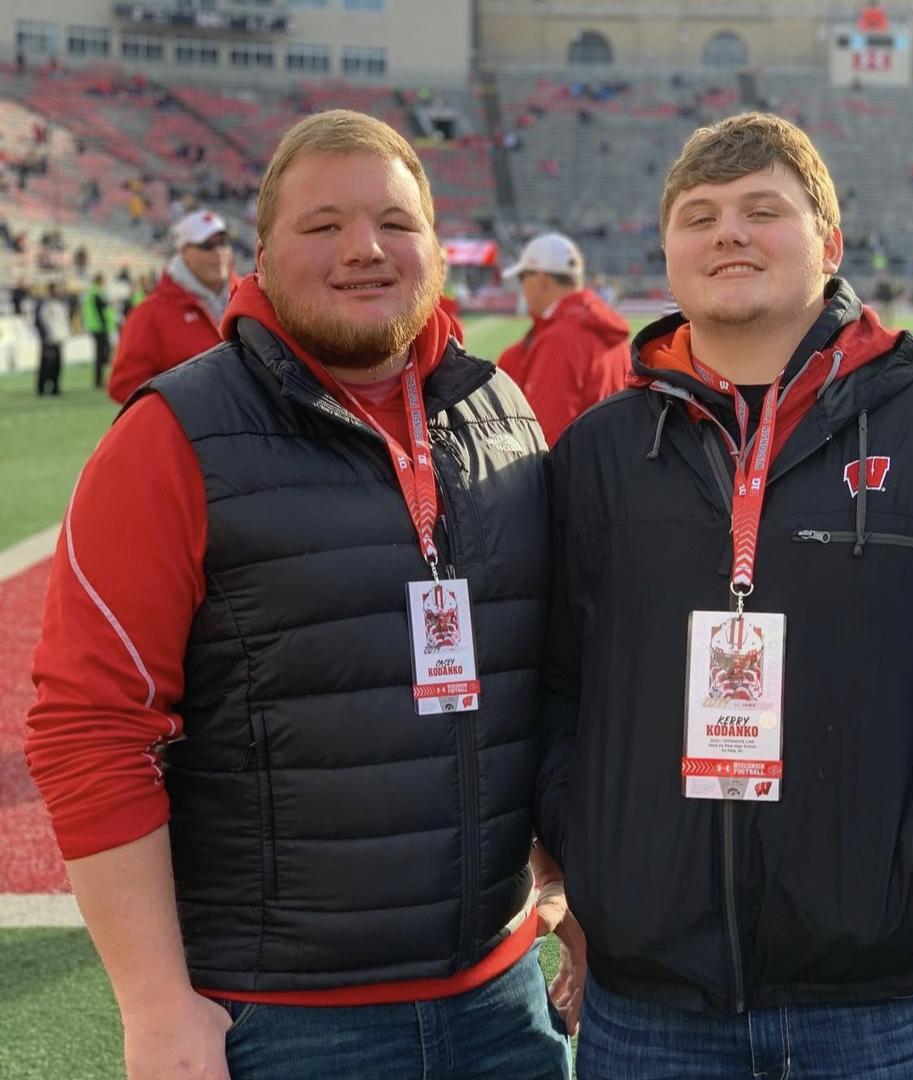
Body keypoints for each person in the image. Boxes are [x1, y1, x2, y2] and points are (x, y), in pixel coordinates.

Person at [27, 110, 577, 1080]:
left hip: (502, 1004)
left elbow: (538, 678)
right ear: (262, 254)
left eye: (396, 223)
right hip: (285, 1020)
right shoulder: (172, 435)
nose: (365, 248)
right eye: (324, 225)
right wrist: (155, 1005)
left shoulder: (501, 413)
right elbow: (90, 728)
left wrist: (561, 880)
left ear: (435, 247)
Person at [535, 113, 913, 1079]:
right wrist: (595, 855)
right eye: (699, 216)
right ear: (668, 254)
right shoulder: (597, 455)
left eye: (762, 210)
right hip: (651, 1003)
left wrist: (912, 856)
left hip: (884, 1001)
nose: (727, 233)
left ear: (829, 244)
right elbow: (544, 681)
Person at [498, 232, 630, 446]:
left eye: (523, 277)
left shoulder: (560, 340)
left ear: (542, 281)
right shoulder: (612, 333)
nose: (522, 287)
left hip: (578, 465)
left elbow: (546, 439)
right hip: (610, 460)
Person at [107, 209, 235, 403]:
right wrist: (186, 405)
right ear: (183, 252)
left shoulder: (250, 296)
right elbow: (124, 385)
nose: (218, 252)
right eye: (207, 245)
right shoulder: (150, 313)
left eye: (223, 243)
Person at [33, 281, 70, 396]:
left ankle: (55, 388)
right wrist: (45, 335)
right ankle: (42, 388)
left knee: (57, 365)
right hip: (48, 339)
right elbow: (40, 321)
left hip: (58, 339)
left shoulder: (60, 304)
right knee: (46, 365)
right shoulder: (44, 304)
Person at [82, 273, 115, 389]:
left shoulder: (93, 292)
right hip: (99, 327)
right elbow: (101, 309)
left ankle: (99, 380)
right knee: (102, 354)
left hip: (97, 327)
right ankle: (99, 380)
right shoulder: (96, 293)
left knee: (101, 354)